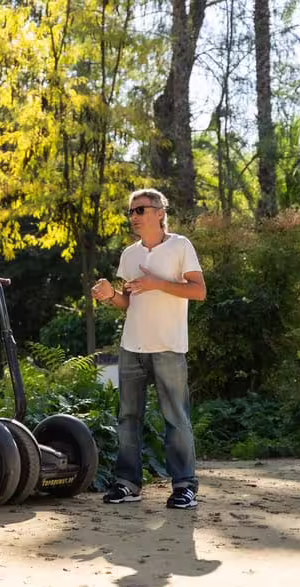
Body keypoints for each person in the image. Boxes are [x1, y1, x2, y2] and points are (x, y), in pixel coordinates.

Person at [90, 188, 206, 509]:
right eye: (131, 212)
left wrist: (158, 283)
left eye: (140, 210)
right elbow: (128, 302)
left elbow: (199, 291)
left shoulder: (180, 246)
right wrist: (109, 295)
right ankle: (127, 483)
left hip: (169, 345)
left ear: (159, 212)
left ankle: (184, 486)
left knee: (176, 417)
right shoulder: (130, 255)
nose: (134, 217)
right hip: (132, 346)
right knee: (128, 417)